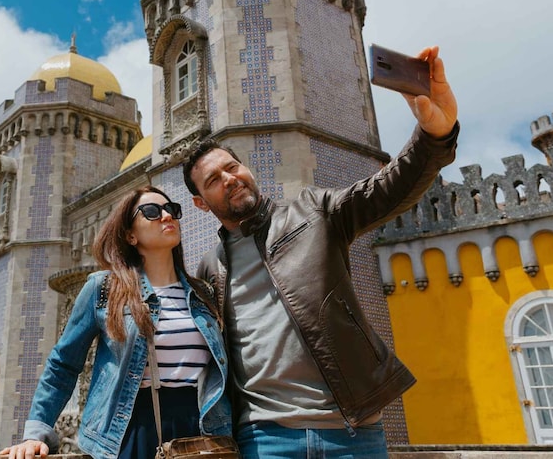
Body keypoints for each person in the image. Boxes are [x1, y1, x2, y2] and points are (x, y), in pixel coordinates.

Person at [181, 46, 459, 458]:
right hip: (264, 438)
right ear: (201, 203)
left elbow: (388, 188)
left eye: (232, 167)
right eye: (213, 179)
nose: (230, 178)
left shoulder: (314, 212)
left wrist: (435, 136)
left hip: (351, 431)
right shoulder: (211, 268)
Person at [0, 186, 231, 459]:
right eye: (152, 211)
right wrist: (36, 434)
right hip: (128, 432)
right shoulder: (104, 289)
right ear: (130, 235)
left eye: (171, 209)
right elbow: (63, 364)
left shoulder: (202, 293)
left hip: (197, 431)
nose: (167, 216)